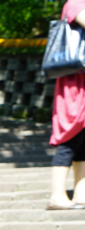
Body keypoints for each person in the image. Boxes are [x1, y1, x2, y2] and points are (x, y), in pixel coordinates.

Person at [49, 0, 85, 209]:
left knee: (83, 141)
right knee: (69, 138)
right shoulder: (76, 3)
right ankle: (56, 195)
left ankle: (81, 193)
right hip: (75, 84)